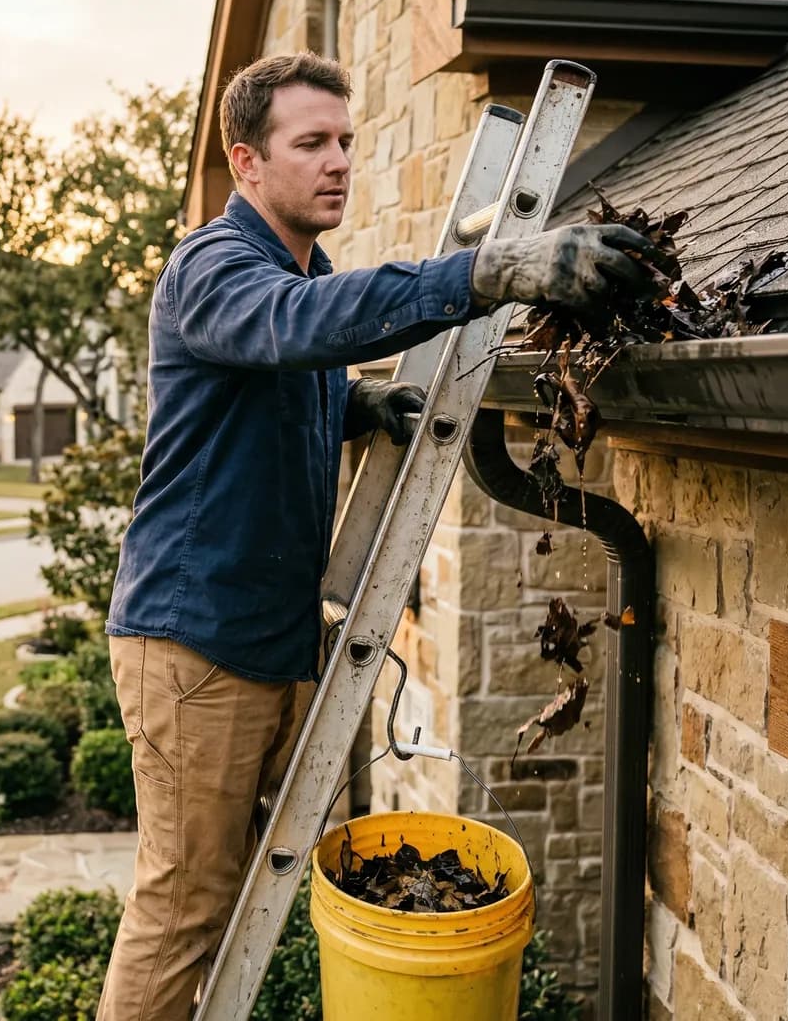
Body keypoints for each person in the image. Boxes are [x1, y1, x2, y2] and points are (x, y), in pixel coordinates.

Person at [98, 52, 659, 1020]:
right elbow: (289, 327)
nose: (338, 162)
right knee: (182, 906)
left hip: (266, 641)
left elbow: (287, 370)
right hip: (193, 648)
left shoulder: (295, 272)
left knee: (227, 898)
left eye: (346, 143)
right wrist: (484, 274)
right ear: (245, 164)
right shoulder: (214, 270)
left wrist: (357, 407)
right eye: (310, 143)